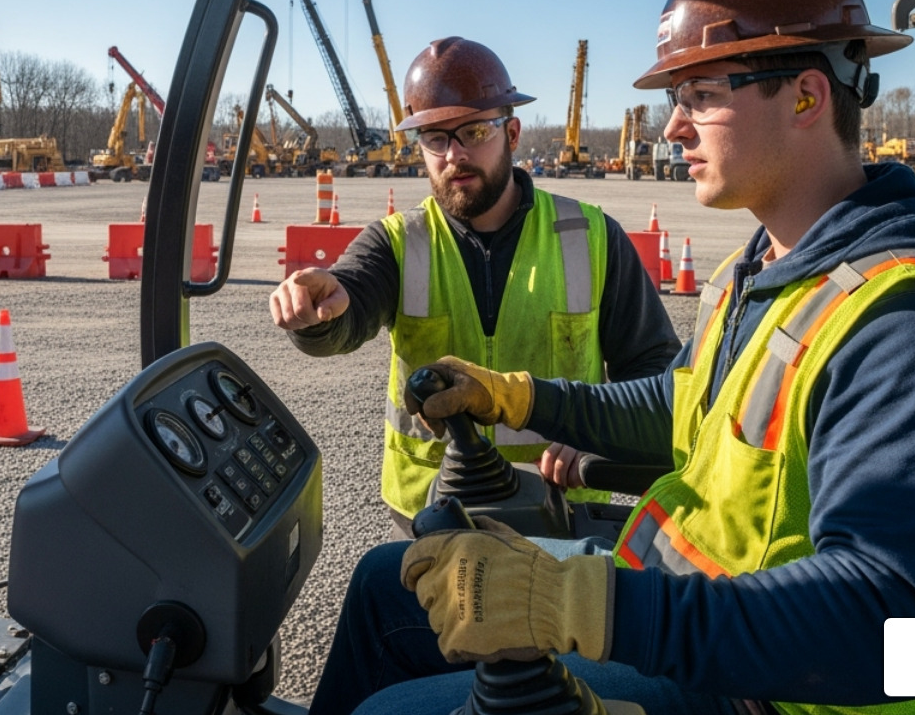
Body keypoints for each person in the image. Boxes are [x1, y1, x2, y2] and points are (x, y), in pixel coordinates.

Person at [307, 0, 915, 715]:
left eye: (699, 96)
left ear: (805, 96)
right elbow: (685, 405)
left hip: (767, 689)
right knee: (389, 581)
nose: (672, 130)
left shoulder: (911, 326)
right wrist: (520, 398)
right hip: (691, 596)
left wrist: (585, 607)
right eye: (673, 102)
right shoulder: (768, 269)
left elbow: (889, 624)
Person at [270, 37, 678, 531]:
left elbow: (655, 371)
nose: (453, 154)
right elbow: (348, 305)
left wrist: (600, 434)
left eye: (473, 131)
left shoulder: (590, 236)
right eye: (435, 139)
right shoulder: (399, 241)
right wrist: (317, 313)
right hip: (431, 514)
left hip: (558, 509)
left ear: (512, 132)